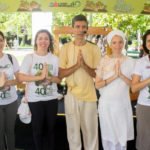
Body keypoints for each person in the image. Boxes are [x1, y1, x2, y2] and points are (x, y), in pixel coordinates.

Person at [59, 14, 101, 150]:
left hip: (89, 96)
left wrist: (84, 65)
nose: (80, 30)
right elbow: (60, 75)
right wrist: (77, 65)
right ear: (72, 29)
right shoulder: (65, 48)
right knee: (73, 134)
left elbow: (97, 75)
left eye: (83, 27)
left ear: (87, 29)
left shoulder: (94, 48)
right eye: (77, 27)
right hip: (71, 95)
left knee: (91, 133)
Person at [18, 29, 61, 150]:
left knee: (51, 130)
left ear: (50, 42)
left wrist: (49, 78)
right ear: (36, 41)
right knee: (37, 130)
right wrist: (40, 77)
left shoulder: (54, 59)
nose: (43, 41)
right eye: (40, 38)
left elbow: (59, 80)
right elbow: (21, 77)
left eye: (46, 38)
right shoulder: (29, 58)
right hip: (35, 100)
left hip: (51, 99)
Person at [95, 30, 135, 150]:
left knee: (121, 137)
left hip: (122, 105)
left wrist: (121, 75)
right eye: (114, 43)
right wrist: (114, 76)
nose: (117, 45)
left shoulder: (131, 61)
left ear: (123, 43)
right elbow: (97, 85)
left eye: (120, 42)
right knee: (108, 138)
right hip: (106, 106)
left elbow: (134, 86)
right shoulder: (103, 61)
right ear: (110, 44)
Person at [0, 31, 20, 150]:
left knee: (10, 131)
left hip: (11, 102)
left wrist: (7, 83)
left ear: (4, 42)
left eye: (1, 40)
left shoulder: (11, 58)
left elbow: (19, 80)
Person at [131, 29, 150, 150]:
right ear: (145, 44)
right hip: (145, 107)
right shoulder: (140, 62)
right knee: (144, 143)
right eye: (149, 41)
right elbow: (133, 88)